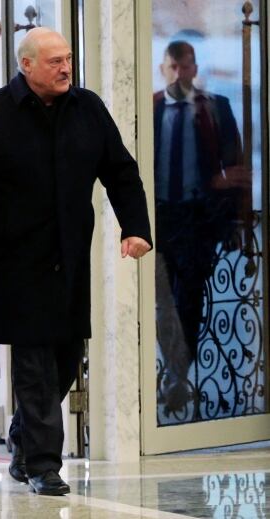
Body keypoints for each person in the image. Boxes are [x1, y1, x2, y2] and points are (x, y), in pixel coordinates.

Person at [0, 28, 152, 495]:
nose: (66, 69)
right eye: (55, 61)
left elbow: (120, 171)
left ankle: (23, 438)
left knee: (64, 358)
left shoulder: (88, 108)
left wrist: (135, 227)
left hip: (69, 258)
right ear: (27, 65)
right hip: (13, 262)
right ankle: (43, 465)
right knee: (35, 362)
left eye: (69, 60)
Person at [153, 41, 245, 414]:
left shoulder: (215, 108)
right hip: (160, 216)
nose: (178, 74)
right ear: (164, 69)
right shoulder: (150, 108)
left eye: (185, 67)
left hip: (196, 218)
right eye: (172, 67)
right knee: (161, 302)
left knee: (189, 298)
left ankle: (177, 375)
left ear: (194, 68)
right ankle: (174, 374)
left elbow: (235, 163)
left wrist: (234, 219)